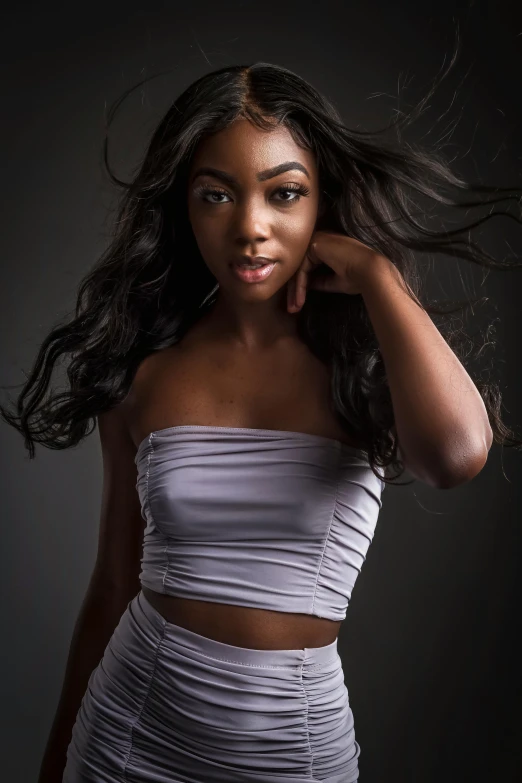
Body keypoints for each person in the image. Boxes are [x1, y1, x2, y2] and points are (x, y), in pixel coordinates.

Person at [2, 59, 521, 782]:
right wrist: (56, 762)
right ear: (184, 207)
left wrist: (377, 275)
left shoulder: (367, 363)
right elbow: (113, 583)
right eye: (216, 194)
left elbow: (458, 454)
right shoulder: (146, 373)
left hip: (295, 754)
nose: (250, 226)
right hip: (127, 738)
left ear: (320, 201)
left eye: (284, 193)